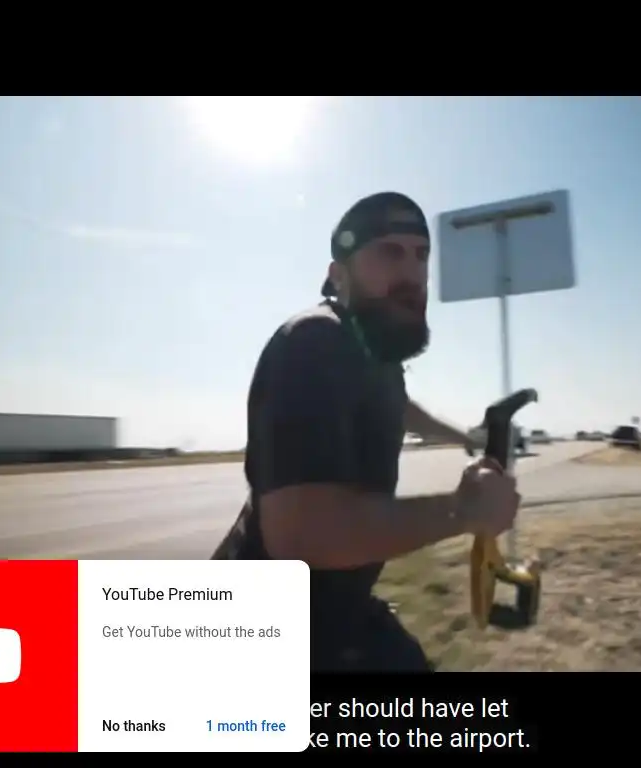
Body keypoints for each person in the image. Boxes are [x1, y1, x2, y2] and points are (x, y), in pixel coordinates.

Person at [212, 191, 520, 672]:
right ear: (339, 275)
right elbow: (303, 534)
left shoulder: (373, 355)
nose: (412, 273)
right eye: (389, 252)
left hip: (336, 613)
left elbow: (401, 409)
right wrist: (465, 510)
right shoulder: (315, 343)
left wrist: (466, 436)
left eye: (421, 255)